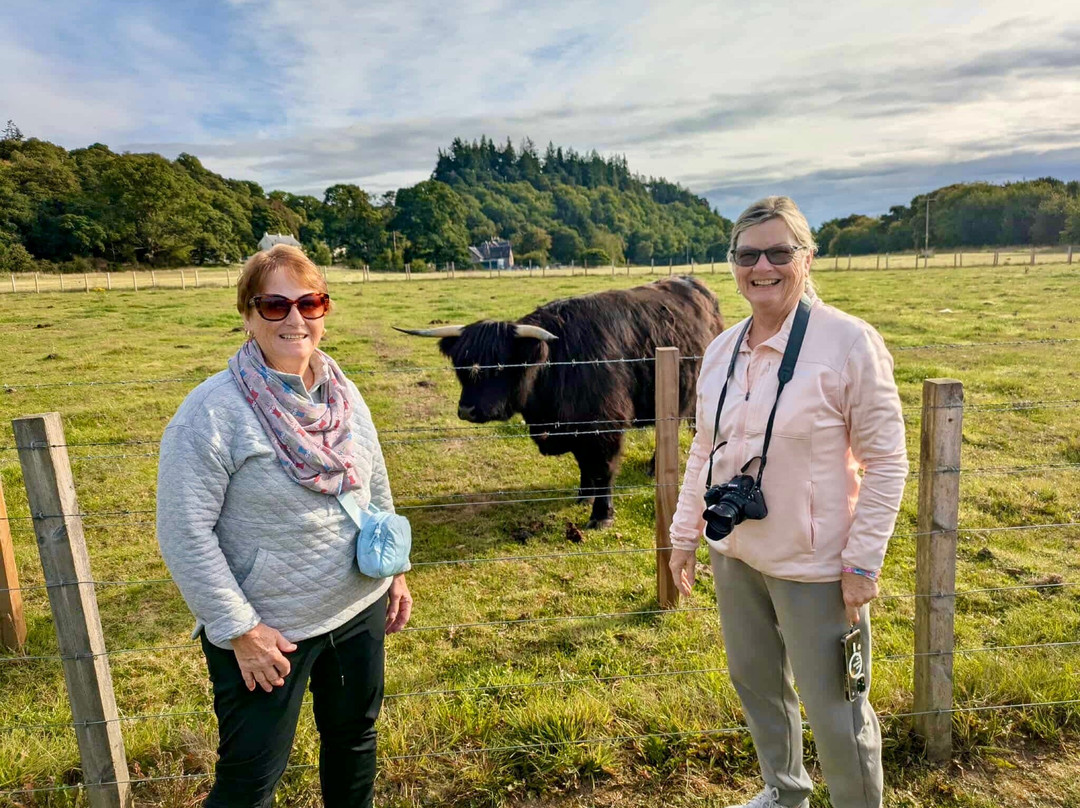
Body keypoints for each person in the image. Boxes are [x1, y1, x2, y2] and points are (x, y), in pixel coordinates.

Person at [668, 197, 908, 808]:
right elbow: (704, 450)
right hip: (736, 553)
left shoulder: (849, 343)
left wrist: (862, 563)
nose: (763, 267)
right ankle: (784, 792)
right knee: (757, 685)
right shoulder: (722, 349)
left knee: (837, 708)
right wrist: (685, 535)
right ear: (733, 263)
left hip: (817, 567)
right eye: (748, 255)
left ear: (807, 257)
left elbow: (886, 462)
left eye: (779, 252)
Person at [156, 244, 412, 808]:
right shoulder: (212, 413)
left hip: (357, 605)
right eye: (275, 305)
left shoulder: (343, 391)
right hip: (270, 631)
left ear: (324, 311)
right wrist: (242, 631)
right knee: (250, 782)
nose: (295, 318)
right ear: (247, 316)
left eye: (309, 303)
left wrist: (394, 572)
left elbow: (372, 482)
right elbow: (183, 533)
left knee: (354, 740)